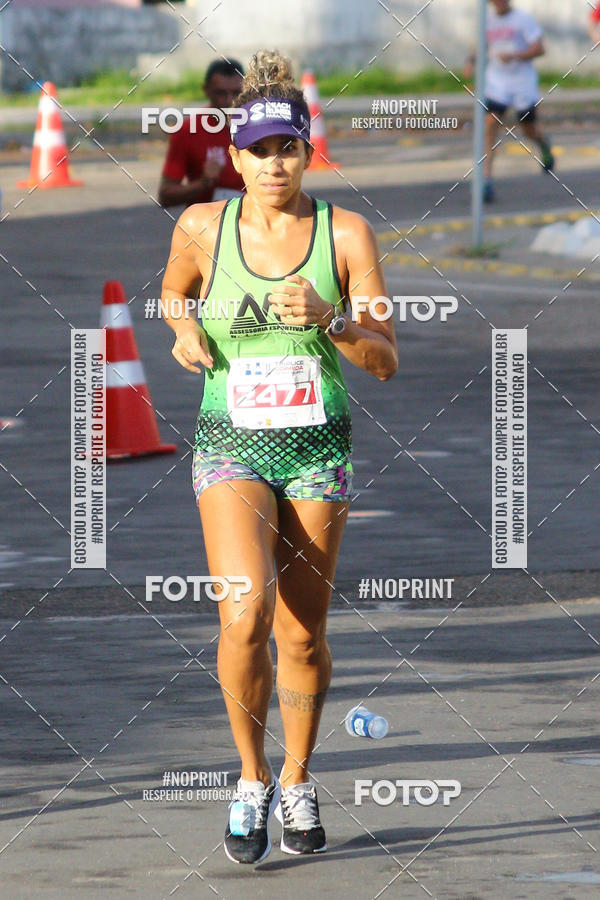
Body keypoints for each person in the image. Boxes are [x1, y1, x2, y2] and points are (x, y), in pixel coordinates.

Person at [160, 50, 398, 864]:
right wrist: (184, 330)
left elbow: (386, 358)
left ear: (307, 150)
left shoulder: (347, 233)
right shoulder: (202, 224)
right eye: (258, 151)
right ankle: (251, 776)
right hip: (230, 447)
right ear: (236, 158)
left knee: (300, 635)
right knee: (244, 613)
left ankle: (298, 775)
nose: (274, 165)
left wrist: (333, 319)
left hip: (317, 454)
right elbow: (173, 290)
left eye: (287, 148)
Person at [465, 0, 554, 203]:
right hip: (497, 83)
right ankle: (485, 180)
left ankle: (544, 145)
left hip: (522, 84)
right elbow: (481, 46)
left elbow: (540, 48)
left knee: (529, 129)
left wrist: (515, 55)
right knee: (489, 125)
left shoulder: (523, 20)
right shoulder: (487, 21)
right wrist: (471, 61)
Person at [158, 58, 245, 208]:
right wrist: (203, 183)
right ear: (206, 90)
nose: (229, 101)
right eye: (221, 93)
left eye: (236, 93)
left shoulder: (258, 126)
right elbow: (165, 196)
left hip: (254, 225)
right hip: (208, 226)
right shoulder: (187, 131)